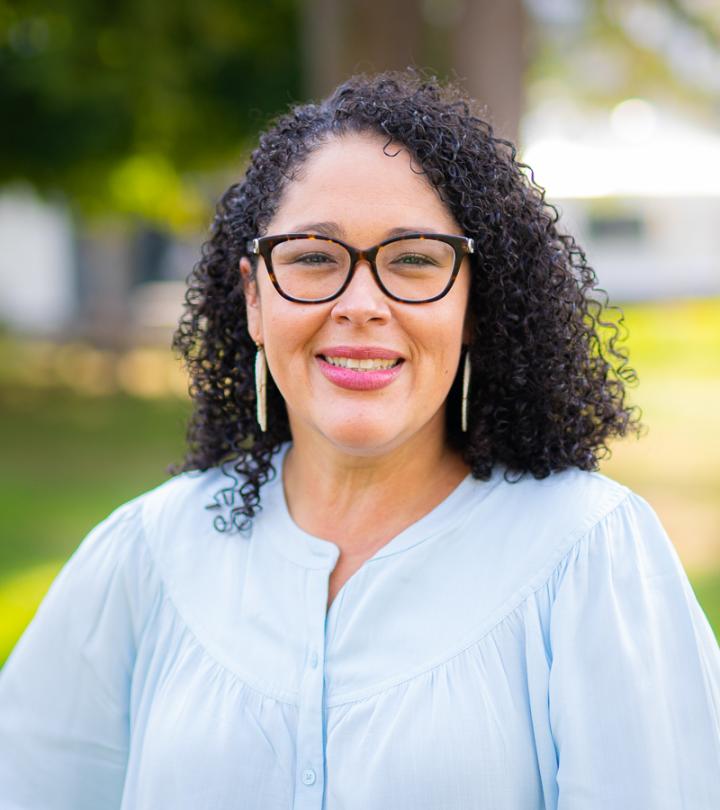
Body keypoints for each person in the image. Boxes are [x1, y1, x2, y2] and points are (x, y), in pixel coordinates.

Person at [1, 69, 718, 809]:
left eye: (414, 260)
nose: (362, 305)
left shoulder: (585, 555)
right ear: (254, 298)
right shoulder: (148, 555)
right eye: (314, 257)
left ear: (475, 305)